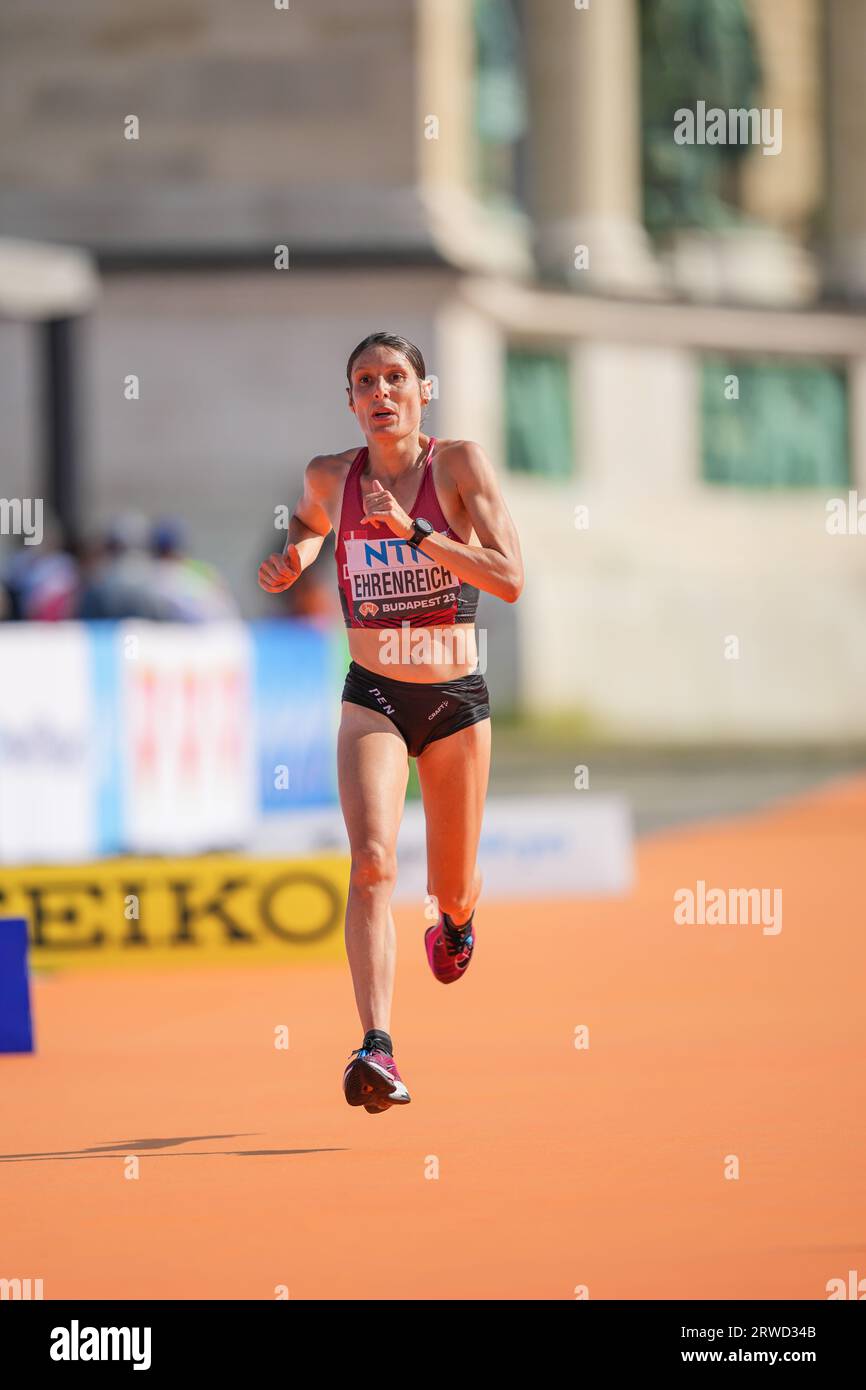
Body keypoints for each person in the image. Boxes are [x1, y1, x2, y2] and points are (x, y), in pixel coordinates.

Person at [258, 332, 524, 1112]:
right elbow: (309, 523)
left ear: (423, 390)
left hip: (454, 702)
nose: (382, 392)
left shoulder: (459, 467)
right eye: (365, 381)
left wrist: (414, 533)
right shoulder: (330, 475)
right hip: (372, 691)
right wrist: (298, 556)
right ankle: (377, 1045)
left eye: (396, 378)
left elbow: (509, 579)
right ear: (350, 401)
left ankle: (459, 919)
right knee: (372, 862)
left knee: (450, 885)